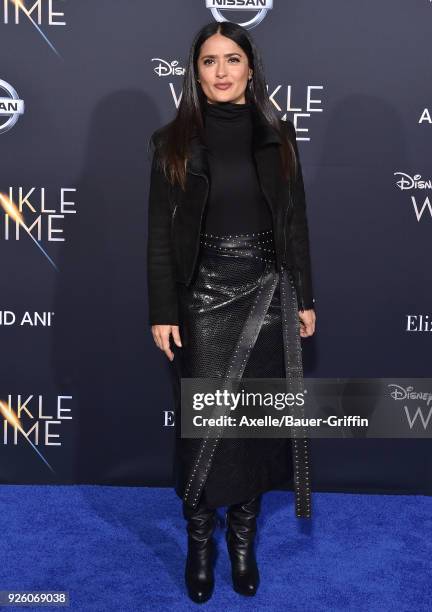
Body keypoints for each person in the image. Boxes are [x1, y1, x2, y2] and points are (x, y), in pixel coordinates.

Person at [147, 21, 316, 604]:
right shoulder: (171, 142)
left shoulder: (278, 136)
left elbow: (294, 224)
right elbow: (159, 238)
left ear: (250, 68)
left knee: (251, 427)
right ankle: (201, 542)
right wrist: (164, 309)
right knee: (202, 427)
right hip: (200, 298)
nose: (221, 71)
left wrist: (306, 296)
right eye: (209, 61)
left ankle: (242, 542)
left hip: (268, 292)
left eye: (232, 59)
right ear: (194, 70)